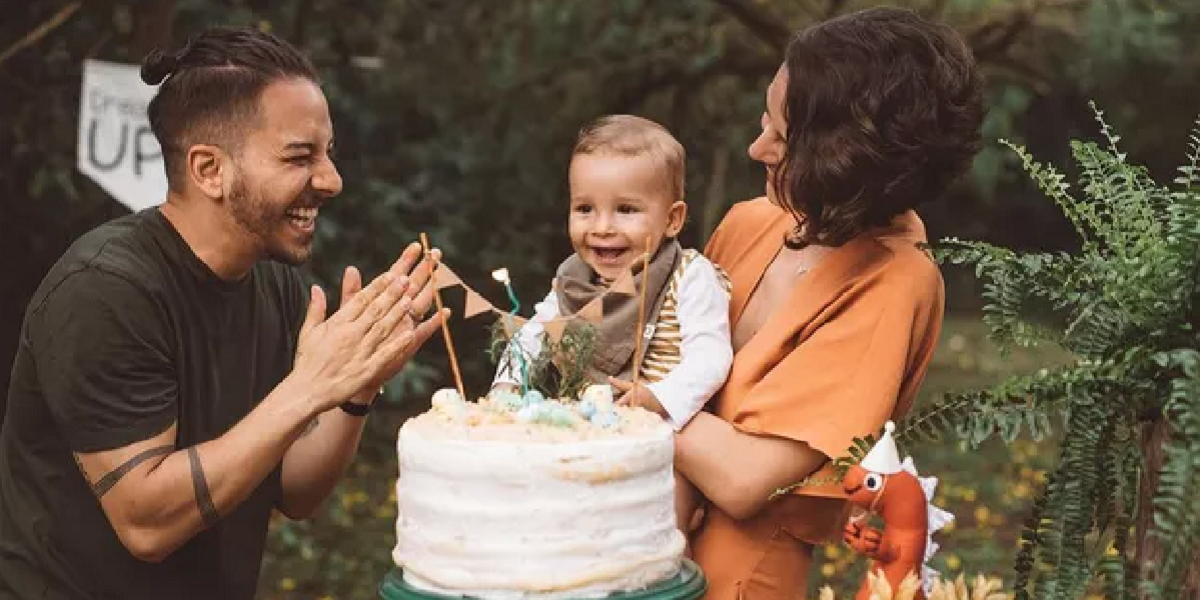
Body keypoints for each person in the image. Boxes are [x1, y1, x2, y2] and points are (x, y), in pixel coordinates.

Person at [0, 27, 447, 600]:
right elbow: (146, 522)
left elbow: (295, 491)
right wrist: (310, 387)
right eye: (299, 156)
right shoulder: (106, 290)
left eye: (328, 153)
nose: (331, 180)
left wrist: (357, 388)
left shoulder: (275, 280)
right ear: (210, 170)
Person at [672, 7, 985, 599]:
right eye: (764, 121)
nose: (754, 147)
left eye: (781, 138)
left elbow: (744, 479)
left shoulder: (895, 284)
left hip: (738, 579)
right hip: (646, 546)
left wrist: (614, 394)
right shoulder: (750, 223)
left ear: (846, 158)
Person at [492, 114, 733, 541]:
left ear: (673, 219)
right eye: (585, 209)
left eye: (626, 210)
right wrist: (506, 390)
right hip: (583, 436)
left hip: (661, 443)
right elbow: (532, 337)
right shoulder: (572, 282)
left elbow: (711, 355)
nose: (602, 227)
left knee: (656, 535)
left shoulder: (690, 276)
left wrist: (657, 398)